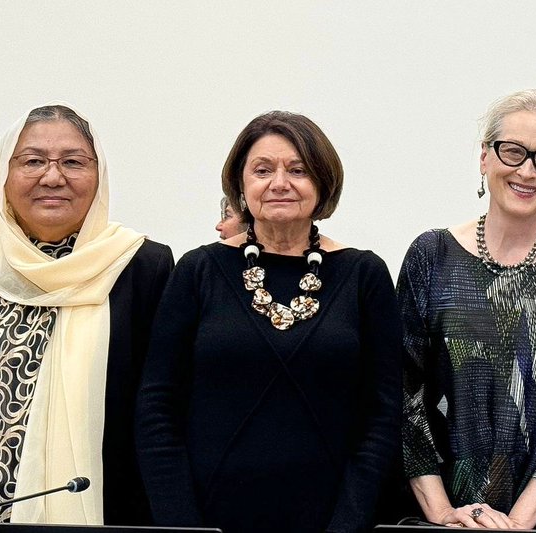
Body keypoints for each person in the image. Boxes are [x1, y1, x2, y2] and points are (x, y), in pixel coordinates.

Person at [136, 111, 403, 533]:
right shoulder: (198, 270)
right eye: (263, 170)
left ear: (323, 183)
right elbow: (156, 408)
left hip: (332, 521)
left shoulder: (363, 275)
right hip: (208, 521)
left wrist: (348, 524)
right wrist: (181, 526)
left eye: (297, 170)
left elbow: (383, 415)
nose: (280, 182)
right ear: (241, 186)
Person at [398, 89, 536, 531]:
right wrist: (443, 515)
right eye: (513, 152)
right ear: (485, 158)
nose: (527, 171)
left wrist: (516, 525)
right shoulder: (431, 255)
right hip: (446, 511)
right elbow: (405, 395)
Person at [0, 104, 173, 524]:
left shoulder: (140, 266)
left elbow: (160, 410)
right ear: (3, 176)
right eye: (32, 161)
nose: (53, 177)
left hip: (105, 509)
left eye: (73, 162)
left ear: (98, 174)